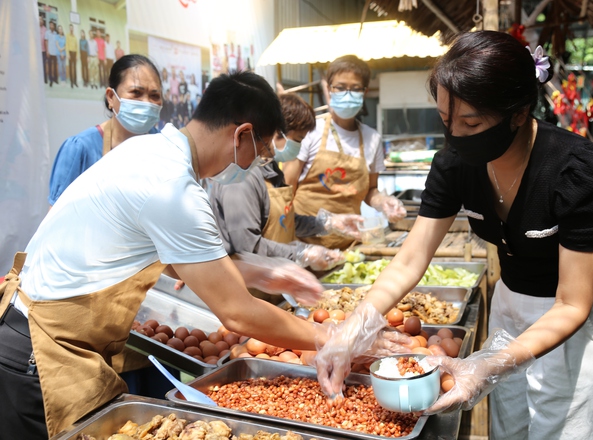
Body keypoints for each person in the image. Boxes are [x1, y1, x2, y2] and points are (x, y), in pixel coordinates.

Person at [0, 70, 405, 439]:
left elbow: (175, 258)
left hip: (37, 337)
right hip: (44, 353)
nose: (256, 165)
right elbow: (236, 313)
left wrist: (261, 272)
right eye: (261, 153)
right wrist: (330, 336)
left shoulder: (151, 152)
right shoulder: (174, 187)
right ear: (241, 135)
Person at [314, 31, 593, 440]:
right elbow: (411, 258)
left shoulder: (576, 170)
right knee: (510, 422)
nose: (456, 135)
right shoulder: (454, 164)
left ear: (518, 113)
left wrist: (485, 364)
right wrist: (356, 325)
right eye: (446, 119)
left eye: (472, 122)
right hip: (513, 300)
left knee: (567, 426)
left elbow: (572, 303)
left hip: (578, 312)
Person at [210, 93, 360, 286]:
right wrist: (301, 253)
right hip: (243, 286)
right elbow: (246, 246)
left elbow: (283, 221)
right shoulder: (243, 178)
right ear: (276, 133)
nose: (299, 147)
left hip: (269, 282)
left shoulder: (272, 169)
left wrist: (328, 223)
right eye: (297, 139)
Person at [283, 55, 406, 250]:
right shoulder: (310, 132)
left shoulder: (372, 138)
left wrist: (383, 202)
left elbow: (370, 190)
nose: (347, 94)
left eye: (355, 88)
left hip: (348, 246)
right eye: (340, 87)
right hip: (303, 244)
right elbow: (286, 188)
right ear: (329, 90)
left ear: (365, 92)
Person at [49, 54, 163, 206]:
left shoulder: (163, 148)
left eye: (154, 95)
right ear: (111, 97)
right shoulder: (81, 149)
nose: (146, 102)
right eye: (136, 93)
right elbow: (56, 221)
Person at [45, 20, 58, 86]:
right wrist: (47, 51)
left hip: (55, 52)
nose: (51, 26)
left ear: (54, 26)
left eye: (52, 25)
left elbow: (57, 43)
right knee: (50, 66)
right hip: (49, 52)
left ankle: (55, 79)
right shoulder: (47, 33)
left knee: (55, 66)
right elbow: (46, 42)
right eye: (50, 25)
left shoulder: (56, 33)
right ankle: (51, 80)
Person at [66, 24, 78, 88]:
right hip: (70, 53)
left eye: (72, 28)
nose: (71, 29)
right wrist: (68, 54)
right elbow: (67, 45)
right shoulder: (67, 36)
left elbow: (76, 46)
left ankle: (75, 81)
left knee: (75, 68)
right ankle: (71, 82)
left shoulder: (75, 37)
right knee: (70, 68)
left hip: (74, 53)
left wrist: (77, 55)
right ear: (69, 29)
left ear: (73, 29)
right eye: (70, 28)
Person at [39, 16, 47, 83]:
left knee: (43, 65)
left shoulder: (45, 29)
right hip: (37, 51)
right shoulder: (35, 27)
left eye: (41, 19)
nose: (40, 20)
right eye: (39, 19)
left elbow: (46, 40)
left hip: (44, 50)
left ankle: (44, 79)